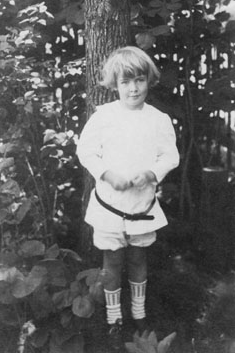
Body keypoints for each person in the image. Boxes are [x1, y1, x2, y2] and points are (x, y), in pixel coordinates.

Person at [77, 46, 179, 346]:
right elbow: (86, 151)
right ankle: (113, 318)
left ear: (149, 81)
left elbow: (169, 156)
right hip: (110, 205)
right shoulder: (103, 116)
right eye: (125, 82)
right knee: (112, 261)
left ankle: (138, 312)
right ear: (114, 84)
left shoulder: (158, 119)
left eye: (139, 80)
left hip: (141, 204)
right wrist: (107, 174)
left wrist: (150, 173)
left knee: (138, 258)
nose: (133, 88)